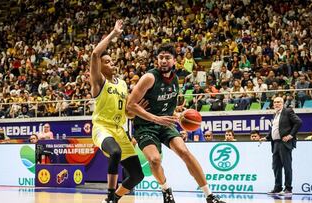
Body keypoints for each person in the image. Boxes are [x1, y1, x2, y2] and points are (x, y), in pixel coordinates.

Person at [127, 43, 225, 203]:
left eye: (167, 58)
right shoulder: (149, 78)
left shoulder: (175, 80)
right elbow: (130, 105)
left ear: (174, 61)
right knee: (154, 160)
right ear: (157, 60)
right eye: (161, 58)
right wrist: (155, 118)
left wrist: (178, 115)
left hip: (164, 123)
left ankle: (209, 195)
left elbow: (167, 108)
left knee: (184, 152)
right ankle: (166, 189)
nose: (164, 61)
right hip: (145, 125)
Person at [90, 20, 144, 203]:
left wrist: (137, 110)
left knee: (137, 175)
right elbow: (95, 54)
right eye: (107, 62)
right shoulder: (99, 82)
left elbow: (128, 113)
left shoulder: (122, 84)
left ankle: (114, 198)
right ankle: (110, 195)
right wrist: (113, 34)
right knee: (115, 152)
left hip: (120, 129)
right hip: (102, 128)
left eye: (112, 61)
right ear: (100, 67)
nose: (111, 63)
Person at [261, 96, 302, 196]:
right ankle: (277, 187)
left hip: (285, 143)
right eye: (275, 102)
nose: (276, 104)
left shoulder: (288, 111)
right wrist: (266, 137)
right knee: (276, 167)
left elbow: (298, 122)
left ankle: (288, 189)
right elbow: (274, 129)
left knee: (287, 166)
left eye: (279, 102)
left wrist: (291, 135)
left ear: (283, 103)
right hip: (275, 143)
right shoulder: (275, 114)